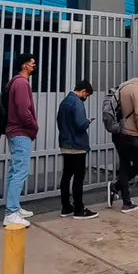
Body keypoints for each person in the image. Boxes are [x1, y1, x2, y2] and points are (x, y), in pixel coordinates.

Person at [4, 53, 38, 228]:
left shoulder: (15, 82)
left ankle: (13, 208)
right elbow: (24, 110)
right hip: (20, 132)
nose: (34, 66)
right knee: (20, 171)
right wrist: (34, 126)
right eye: (32, 63)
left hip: (15, 131)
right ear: (25, 65)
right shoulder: (21, 83)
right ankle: (11, 212)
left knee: (14, 171)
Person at [57, 80, 98, 219]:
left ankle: (66, 207)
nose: (86, 98)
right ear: (84, 92)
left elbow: (60, 122)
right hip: (77, 145)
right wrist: (88, 122)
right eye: (86, 95)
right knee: (79, 177)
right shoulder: (77, 102)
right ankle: (79, 209)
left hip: (65, 144)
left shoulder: (64, 102)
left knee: (66, 176)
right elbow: (80, 124)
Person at [109, 77, 138, 213]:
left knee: (124, 165)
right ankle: (116, 186)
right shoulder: (135, 89)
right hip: (131, 134)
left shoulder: (119, 90)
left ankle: (126, 202)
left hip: (118, 134)